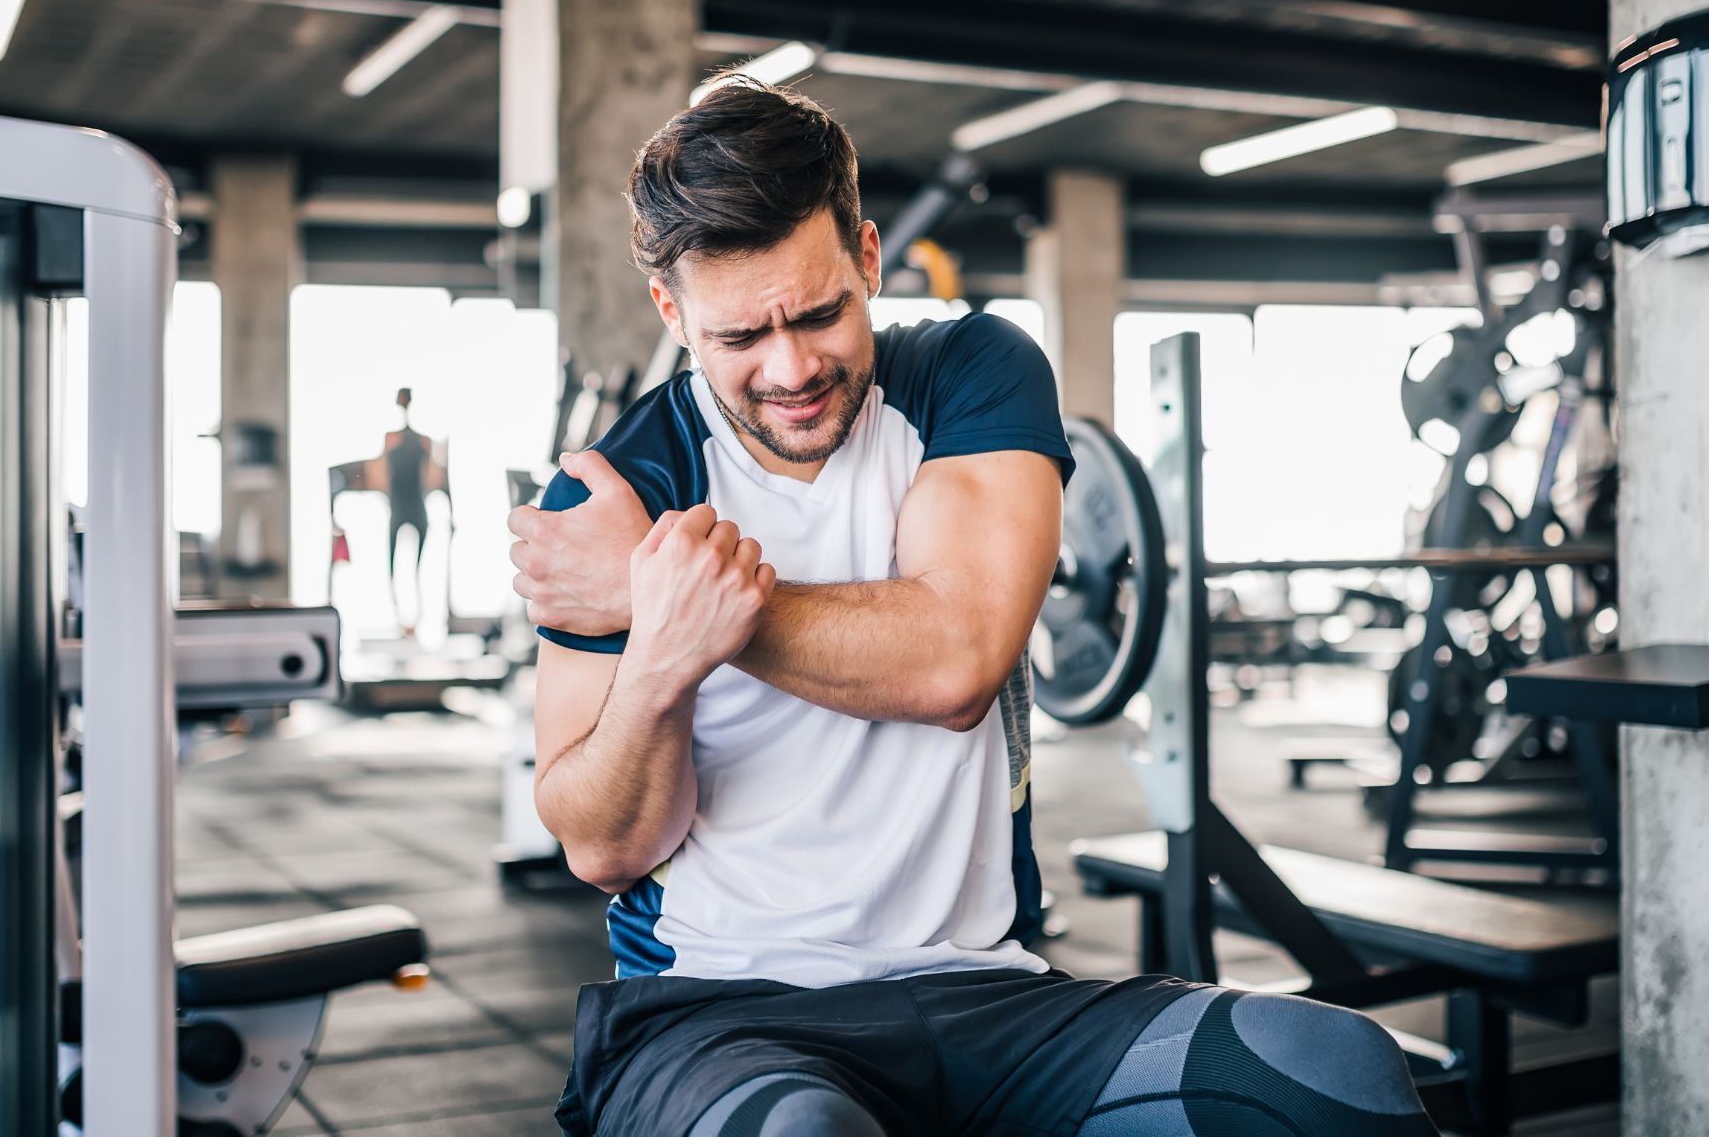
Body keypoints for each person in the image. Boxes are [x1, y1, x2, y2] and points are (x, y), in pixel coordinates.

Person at [506, 79, 1436, 1137]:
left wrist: (667, 596)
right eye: (738, 338)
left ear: (866, 256)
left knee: (1330, 1071)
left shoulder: (970, 375)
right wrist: (661, 651)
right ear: (673, 314)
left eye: (818, 313)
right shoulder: (619, 493)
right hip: (718, 1012)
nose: (792, 367)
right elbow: (601, 845)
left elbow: (954, 664)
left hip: (990, 991)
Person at [382, 387, 441, 635]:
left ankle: (414, 619)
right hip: (408, 505)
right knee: (400, 567)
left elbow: (427, 478)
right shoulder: (412, 441)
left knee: (410, 568)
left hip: (409, 506)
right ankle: (403, 618)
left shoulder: (404, 441)